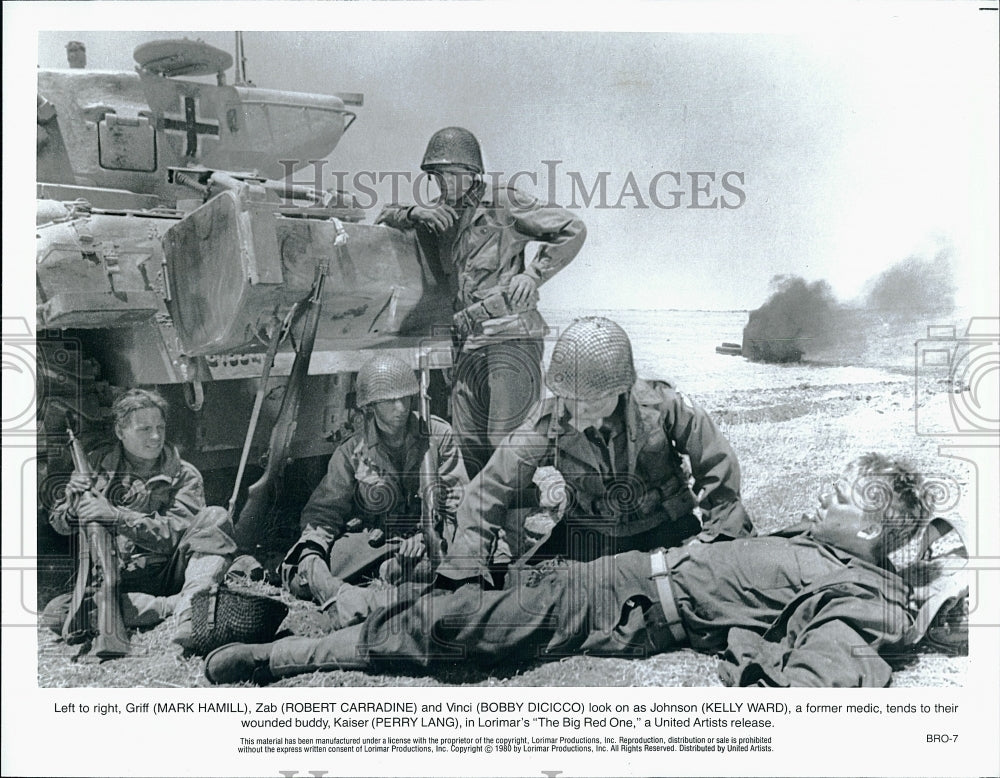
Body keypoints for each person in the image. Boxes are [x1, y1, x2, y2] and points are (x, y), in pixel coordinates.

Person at [205, 453, 967, 688]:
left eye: (842, 494)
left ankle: (276, 658)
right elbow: (930, 536)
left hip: (627, 608)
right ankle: (357, 603)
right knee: (476, 586)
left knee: (460, 624)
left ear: (866, 526)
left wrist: (928, 601)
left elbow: (827, 675)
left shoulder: (855, 591)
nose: (824, 492)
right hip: (619, 574)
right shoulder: (832, 545)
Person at [437, 316, 753, 587]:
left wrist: (721, 540)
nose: (578, 412)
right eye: (571, 399)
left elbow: (715, 462)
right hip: (587, 536)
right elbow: (492, 487)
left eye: (591, 401)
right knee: (523, 590)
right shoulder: (548, 423)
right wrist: (465, 566)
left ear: (620, 388)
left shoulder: (662, 405)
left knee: (696, 585)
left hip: (664, 529)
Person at [376, 127, 586, 477]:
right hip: (467, 343)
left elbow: (572, 228)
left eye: (449, 176)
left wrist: (532, 275)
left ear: (471, 173)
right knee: (467, 442)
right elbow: (385, 216)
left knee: (507, 441)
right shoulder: (441, 217)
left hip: (509, 336)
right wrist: (414, 213)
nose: (442, 185)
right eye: (436, 177)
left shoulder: (504, 202)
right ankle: (483, 525)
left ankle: (523, 522)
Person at [280, 354, 468, 628]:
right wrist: (312, 553)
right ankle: (384, 574)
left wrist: (429, 535)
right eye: (389, 400)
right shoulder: (351, 451)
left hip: (426, 541)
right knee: (305, 576)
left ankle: (398, 575)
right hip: (373, 543)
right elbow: (323, 514)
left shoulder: (438, 436)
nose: (400, 407)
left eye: (405, 398)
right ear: (370, 406)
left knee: (447, 564)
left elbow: (456, 501)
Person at [43, 389, 236, 648]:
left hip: (169, 570)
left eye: (160, 427)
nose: (156, 436)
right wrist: (72, 507)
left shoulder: (183, 474)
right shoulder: (95, 465)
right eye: (144, 429)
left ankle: (190, 611)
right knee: (57, 613)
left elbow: (175, 535)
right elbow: (59, 524)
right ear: (120, 432)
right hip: (121, 576)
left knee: (216, 517)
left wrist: (117, 517)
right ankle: (177, 604)